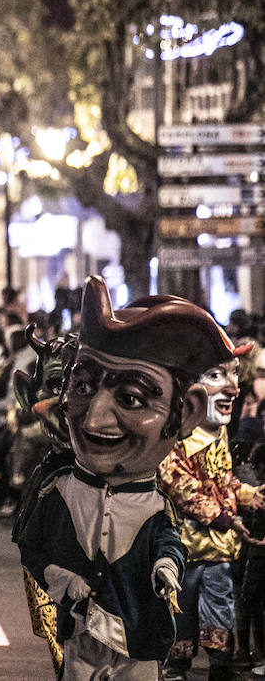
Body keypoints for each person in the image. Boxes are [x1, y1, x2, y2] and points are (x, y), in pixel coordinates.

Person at [16, 276, 231, 681]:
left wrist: (166, 567)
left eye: (131, 398)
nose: (93, 419)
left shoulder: (155, 506)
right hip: (80, 636)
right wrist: (57, 577)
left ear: (185, 414)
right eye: (81, 387)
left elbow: (170, 544)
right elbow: (32, 547)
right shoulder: (56, 492)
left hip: (136, 639)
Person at [160, 342, 264, 681]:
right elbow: (177, 484)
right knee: (182, 610)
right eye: (217, 375)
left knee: (220, 608)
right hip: (184, 549)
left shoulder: (218, 434)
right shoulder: (175, 437)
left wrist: (250, 496)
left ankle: (220, 665)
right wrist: (224, 516)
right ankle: (177, 666)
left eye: (234, 375)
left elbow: (224, 483)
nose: (233, 387)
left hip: (219, 550)